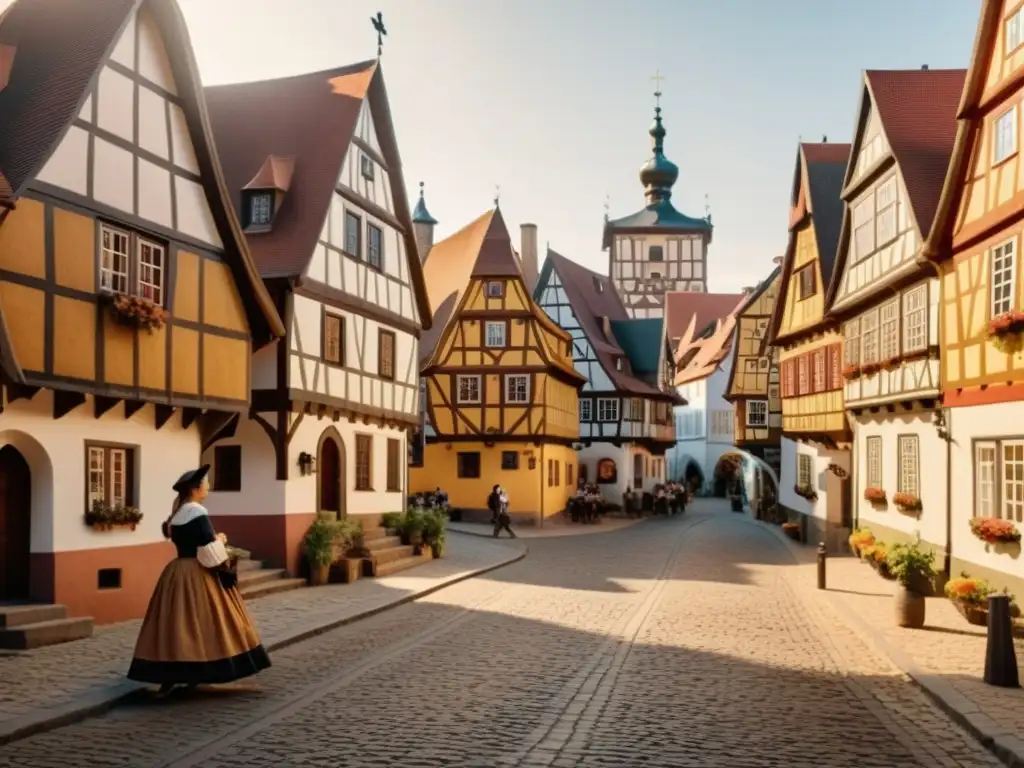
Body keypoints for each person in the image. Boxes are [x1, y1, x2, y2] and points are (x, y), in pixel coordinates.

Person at [128, 465, 271, 696]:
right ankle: (204, 669)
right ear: (195, 489)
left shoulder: (178, 513)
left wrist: (212, 539)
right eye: (205, 484)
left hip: (177, 572)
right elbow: (206, 548)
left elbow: (192, 540)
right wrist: (220, 542)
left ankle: (173, 674)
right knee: (208, 620)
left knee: (176, 624)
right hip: (197, 572)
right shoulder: (197, 511)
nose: (208, 487)